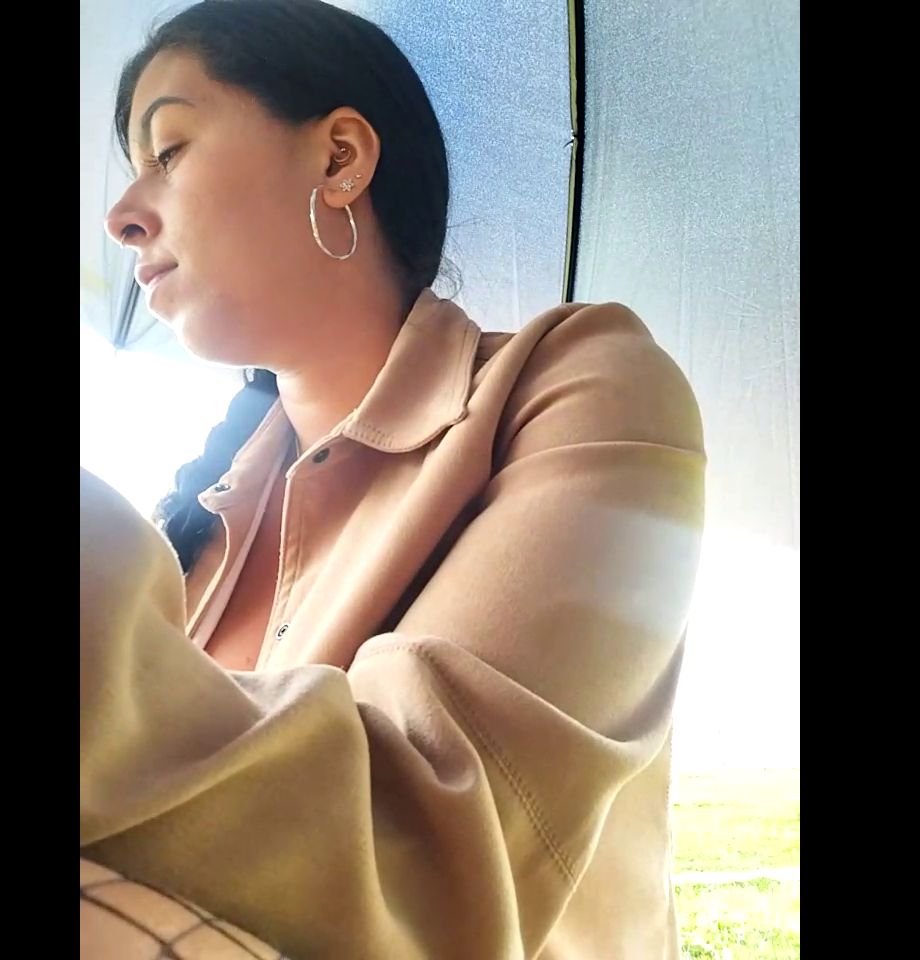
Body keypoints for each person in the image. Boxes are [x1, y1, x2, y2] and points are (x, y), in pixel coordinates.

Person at [80, 1, 706, 956]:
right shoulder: (195, 528)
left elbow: (424, 866)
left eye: (168, 150)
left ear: (339, 158)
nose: (122, 215)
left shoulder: (584, 391)